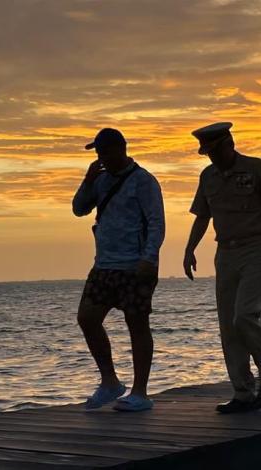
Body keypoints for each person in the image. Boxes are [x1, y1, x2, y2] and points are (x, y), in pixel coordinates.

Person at [183, 122, 261, 413]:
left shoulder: (255, 168)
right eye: (207, 153)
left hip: (257, 249)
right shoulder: (208, 176)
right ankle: (242, 391)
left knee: (244, 315)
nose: (211, 158)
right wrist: (189, 249)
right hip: (225, 253)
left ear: (229, 143)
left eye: (214, 151)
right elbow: (202, 216)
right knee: (228, 326)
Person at [72, 128, 165, 412]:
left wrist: (149, 258)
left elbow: (156, 222)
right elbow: (78, 209)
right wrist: (88, 181)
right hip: (104, 264)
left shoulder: (143, 181)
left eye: (105, 151)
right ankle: (110, 382)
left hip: (135, 265)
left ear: (121, 149)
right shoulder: (99, 181)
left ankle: (140, 392)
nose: (102, 158)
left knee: (137, 326)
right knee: (87, 318)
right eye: (98, 153)